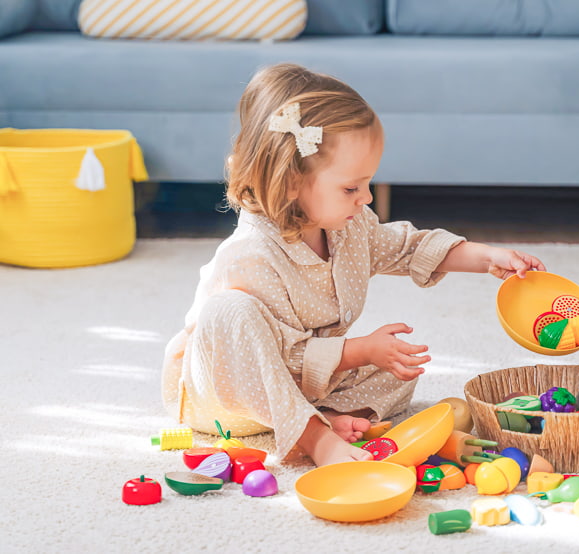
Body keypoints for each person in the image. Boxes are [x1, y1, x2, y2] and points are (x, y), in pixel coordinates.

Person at [161, 63, 546, 467]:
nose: (366, 198)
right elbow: (279, 355)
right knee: (229, 310)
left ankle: (326, 419)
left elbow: (408, 247)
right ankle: (314, 438)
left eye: (367, 183)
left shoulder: (349, 227)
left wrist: (487, 258)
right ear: (291, 181)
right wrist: (359, 350)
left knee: (398, 374)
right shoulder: (250, 254)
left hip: (305, 384)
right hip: (227, 394)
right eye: (351, 187)